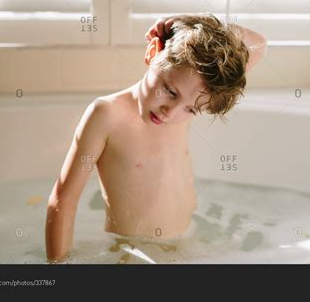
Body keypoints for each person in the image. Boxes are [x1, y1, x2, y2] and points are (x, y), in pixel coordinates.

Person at [45, 13, 267, 263]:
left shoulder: (193, 94)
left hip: (189, 242)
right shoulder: (106, 115)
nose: (170, 112)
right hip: (134, 251)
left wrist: (185, 20)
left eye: (191, 110)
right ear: (152, 53)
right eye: (170, 91)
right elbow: (63, 200)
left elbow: (258, 44)